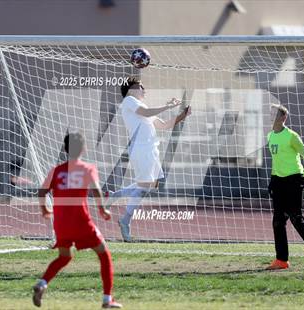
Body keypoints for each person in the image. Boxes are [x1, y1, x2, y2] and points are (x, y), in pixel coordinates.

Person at [32, 133, 122, 308]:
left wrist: (45, 210)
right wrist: (102, 209)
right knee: (104, 254)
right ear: (83, 148)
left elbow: (42, 192)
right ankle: (107, 299)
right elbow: (96, 190)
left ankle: (42, 283)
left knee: (65, 256)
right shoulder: (87, 168)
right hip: (80, 221)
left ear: (65, 150)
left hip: (60, 223)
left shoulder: (56, 170)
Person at [107, 77, 191, 242]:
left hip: (151, 150)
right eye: (141, 86)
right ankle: (125, 220)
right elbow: (146, 113)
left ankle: (115, 195)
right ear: (131, 89)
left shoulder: (143, 106)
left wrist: (183, 115)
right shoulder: (129, 101)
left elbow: (164, 125)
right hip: (141, 148)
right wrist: (168, 106)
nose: (144, 90)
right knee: (144, 186)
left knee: (153, 184)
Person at [267, 104, 304, 271]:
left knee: (296, 218)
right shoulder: (270, 136)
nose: (270, 117)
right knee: (278, 221)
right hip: (278, 181)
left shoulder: (292, 136)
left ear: (283, 118)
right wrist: (272, 180)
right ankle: (282, 260)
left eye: (274, 114)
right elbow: (276, 161)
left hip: (294, 180)